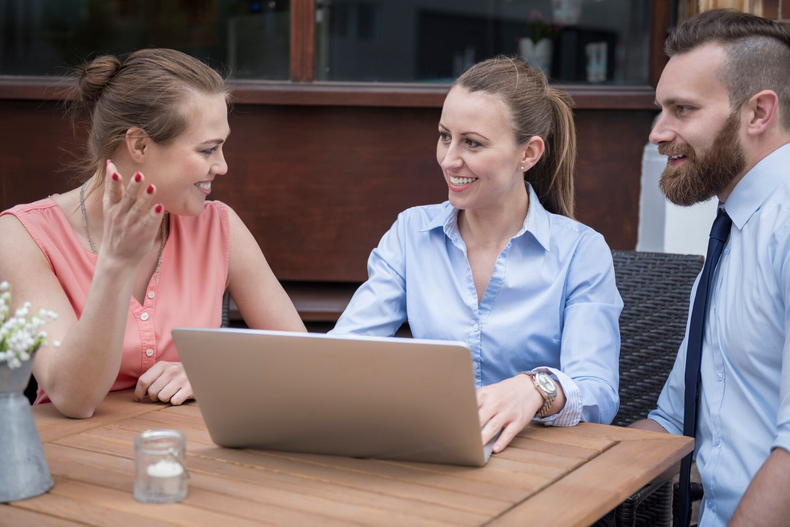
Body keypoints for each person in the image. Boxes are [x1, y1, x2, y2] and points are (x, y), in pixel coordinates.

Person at [330, 56, 622, 453]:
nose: (449, 159)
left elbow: (598, 394)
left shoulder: (581, 251)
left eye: (472, 143)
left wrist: (534, 388)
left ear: (528, 154)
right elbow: (345, 351)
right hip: (430, 452)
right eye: (444, 136)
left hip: (535, 463)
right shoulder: (411, 233)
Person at [0, 49, 305, 419]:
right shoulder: (22, 237)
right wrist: (115, 265)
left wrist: (211, 371)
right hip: (75, 457)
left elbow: (300, 356)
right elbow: (73, 397)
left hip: (192, 454)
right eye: (208, 149)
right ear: (139, 144)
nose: (222, 166)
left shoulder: (219, 226)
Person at [629, 9, 790, 527]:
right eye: (661, 110)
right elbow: (672, 423)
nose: (658, 133)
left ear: (758, 112)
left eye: (682, 109)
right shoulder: (733, 230)